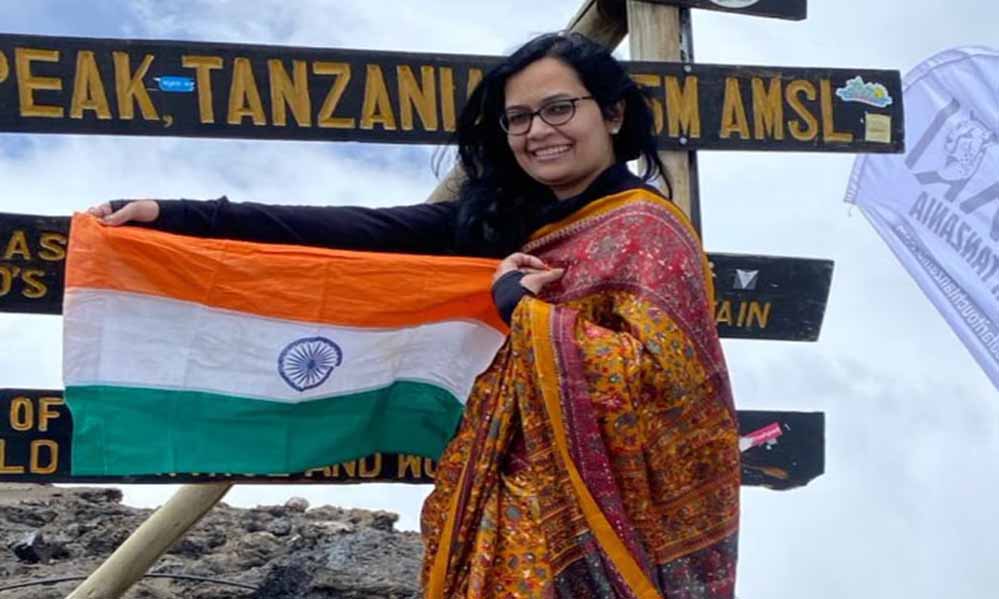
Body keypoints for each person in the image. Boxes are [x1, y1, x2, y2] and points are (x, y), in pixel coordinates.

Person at [89, 31, 740, 599]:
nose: (538, 131)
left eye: (559, 108)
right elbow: (356, 231)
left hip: (607, 533)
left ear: (614, 113)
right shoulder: (510, 220)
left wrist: (526, 311)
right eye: (518, 118)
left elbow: (669, 394)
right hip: (499, 507)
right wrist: (175, 215)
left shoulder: (647, 230)